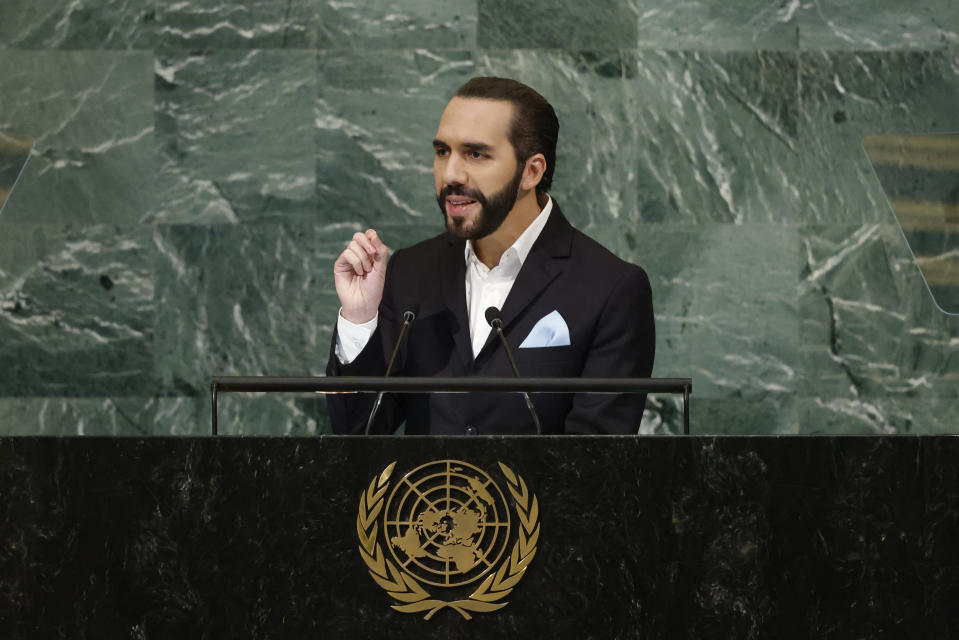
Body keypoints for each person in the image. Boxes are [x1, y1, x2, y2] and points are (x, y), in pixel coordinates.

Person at [326, 77, 655, 435]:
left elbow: (598, 460)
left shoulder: (611, 288)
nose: (450, 174)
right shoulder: (410, 271)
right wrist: (359, 320)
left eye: (476, 154)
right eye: (442, 152)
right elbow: (357, 436)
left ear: (531, 171)